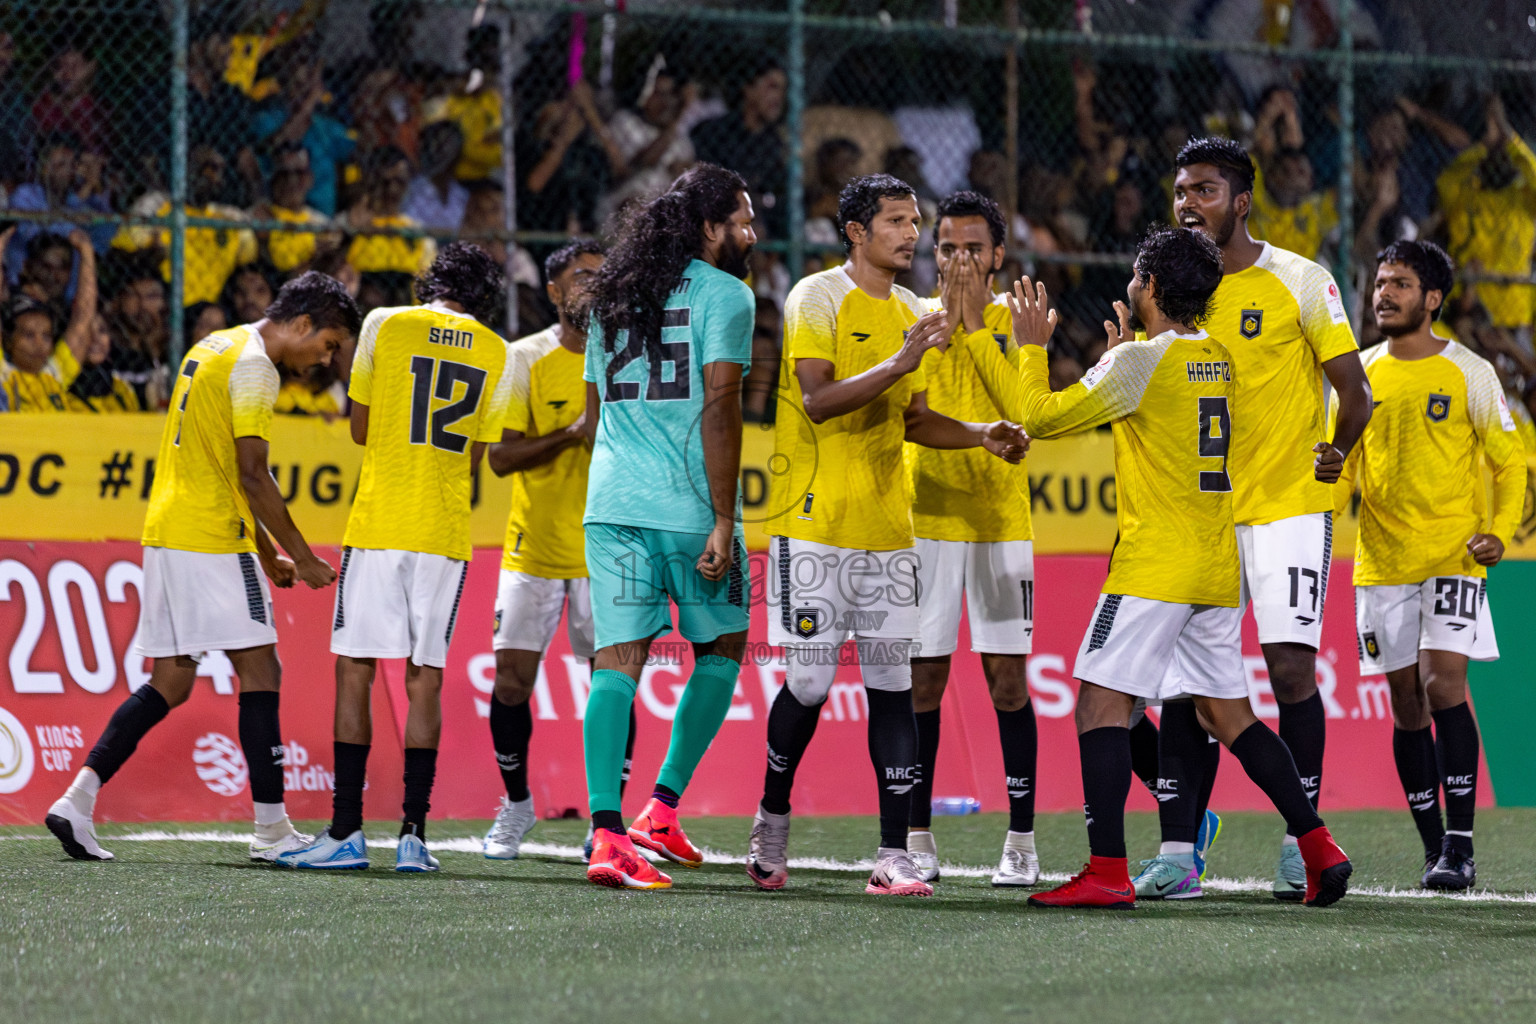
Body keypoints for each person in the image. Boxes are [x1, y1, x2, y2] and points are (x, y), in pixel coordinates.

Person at [992, 230, 1353, 909]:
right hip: (1217, 565)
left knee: (1098, 702)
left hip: (1156, 563)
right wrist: (1119, 360)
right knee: (1231, 716)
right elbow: (1151, 413)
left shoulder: (1141, 363)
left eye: (1136, 273)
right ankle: (1317, 845)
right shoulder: (1214, 357)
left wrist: (1032, 346)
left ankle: (1105, 872)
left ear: (1152, 288)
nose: (1131, 281)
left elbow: (1038, 416)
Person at [746, 174, 1027, 897]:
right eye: (897, 222)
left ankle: (894, 852)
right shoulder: (816, 297)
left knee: (893, 688)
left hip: (889, 533)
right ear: (856, 232)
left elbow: (914, 419)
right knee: (807, 683)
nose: (911, 234)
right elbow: (815, 400)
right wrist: (902, 359)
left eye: (913, 221)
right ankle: (771, 822)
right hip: (811, 526)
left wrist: (978, 435)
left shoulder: (910, 308)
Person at [44, 272, 359, 862]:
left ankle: (76, 801)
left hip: (167, 532)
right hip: (211, 537)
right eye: (330, 343)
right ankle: (271, 832)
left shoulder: (214, 344)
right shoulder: (257, 367)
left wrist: (267, 554)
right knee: (262, 670)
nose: (327, 358)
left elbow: (217, 462)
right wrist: (302, 553)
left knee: (172, 680)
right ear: (301, 323)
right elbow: (250, 473)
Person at [1131, 137, 1371, 901]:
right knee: (1182, 687)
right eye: (1179, 191)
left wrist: (1337, 449)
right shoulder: (1172, 287)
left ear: (1241, 200)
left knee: (1290, 668)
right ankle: (1179, 851)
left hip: (1288, 507)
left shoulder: (1300, 279)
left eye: (1203, 190)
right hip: (1202, 515)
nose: (1187, 204)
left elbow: (1354, 390)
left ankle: (1302, 845)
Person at [277, 243, 512, 873]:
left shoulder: (385, 322)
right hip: (443, 531)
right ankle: (414, 835)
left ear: (430, 282)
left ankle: (347, 831)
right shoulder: (496, 350)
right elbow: (473, 457)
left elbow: (359, 428)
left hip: (381, 520)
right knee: (424, 674)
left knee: (355, 666)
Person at [576, 164, 758, 891]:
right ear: (709, 228)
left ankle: (605, 832)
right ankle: (661, 806)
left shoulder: (612, 298)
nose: (750, 233)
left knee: (615, 663)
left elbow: (595, 418)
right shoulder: (728, 295)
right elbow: (721, 406)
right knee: (725, 642)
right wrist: (720, 516)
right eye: (741, 220)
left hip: (611, 503)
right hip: (687, 507)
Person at [1340, 240, 1526, 890]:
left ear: (1432, 298)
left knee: (1445, 684)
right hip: (1382, 563)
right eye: (1380, 283)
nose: (1383, 294)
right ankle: (1433, 849)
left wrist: (1498, 533)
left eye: (1399, 284)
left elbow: (1511, 463)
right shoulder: (1358, 375)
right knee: (1405, 702)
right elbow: (1344, 472)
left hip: (1452, 557)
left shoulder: (1468, 372)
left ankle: (1461, 844)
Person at [903, 190, 1040, 887]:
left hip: (998, 521)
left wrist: (974, 330)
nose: (957, 260)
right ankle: (918, 831)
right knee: (923, 678)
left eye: (970, 248)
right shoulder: (915, 321)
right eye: (946, 248)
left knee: (1007, 682)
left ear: (998, 256)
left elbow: (1026, 414)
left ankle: (1021, 837)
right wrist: (944, 326)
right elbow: (913, 419)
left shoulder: (1019, 325)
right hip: (926, 516)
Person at [480, 238, 611, 860]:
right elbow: (500, 457)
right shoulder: (522, 358)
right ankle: (516, 804)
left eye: (601, 277)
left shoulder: (626, 355)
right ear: (554, 290)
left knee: (610, 683)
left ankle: (605, 820)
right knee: (511, 682)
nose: (593, 285)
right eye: (581, 276)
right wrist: (570, 435)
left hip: (606, 548)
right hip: (532, 549)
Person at [691, 57, 788, 238]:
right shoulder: (715, 132)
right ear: (748, 89)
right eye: (772, 87)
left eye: (782, 89)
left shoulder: (773, 142)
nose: (779, 97)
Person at [0, 229, 96, 412]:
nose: (39, 344)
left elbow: (84, 318)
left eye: (46, 336)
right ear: (9, 340)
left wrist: (86, 252)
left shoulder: (54, 374)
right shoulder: (4, 375)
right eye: (28, 335)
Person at [340, 145, 436, 275]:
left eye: (399, 181)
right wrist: (351, 231)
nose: (392, 189)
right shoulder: (348, 223)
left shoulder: (417, 233)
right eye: (385, 182)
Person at [253, 143, 335, 275]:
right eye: (284, 173)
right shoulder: (256, 216)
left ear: (310, 179)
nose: (291, 180)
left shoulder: (321, 223)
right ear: (272, 178)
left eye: (299, 173)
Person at [404, 121, 469, 231]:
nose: (446, 152)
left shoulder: (461, 195)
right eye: (440, 146)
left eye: (451, 146)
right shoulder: (412, 192)